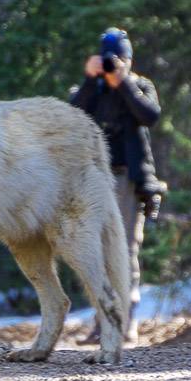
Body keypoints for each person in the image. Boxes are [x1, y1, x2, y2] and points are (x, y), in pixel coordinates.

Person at [69, 28, 165, 343]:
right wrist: (89, 79)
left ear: (129, 60)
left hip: (127, 178)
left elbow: (149, 116)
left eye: (120, 59)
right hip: (94, 177)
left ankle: (125, 321)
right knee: (95, 249)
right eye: (109, 59)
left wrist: (122, 83)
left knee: (124, 249)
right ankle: (102, 320)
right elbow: (72, 116)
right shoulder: (93, 90)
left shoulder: (138, 86)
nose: (113, 64)